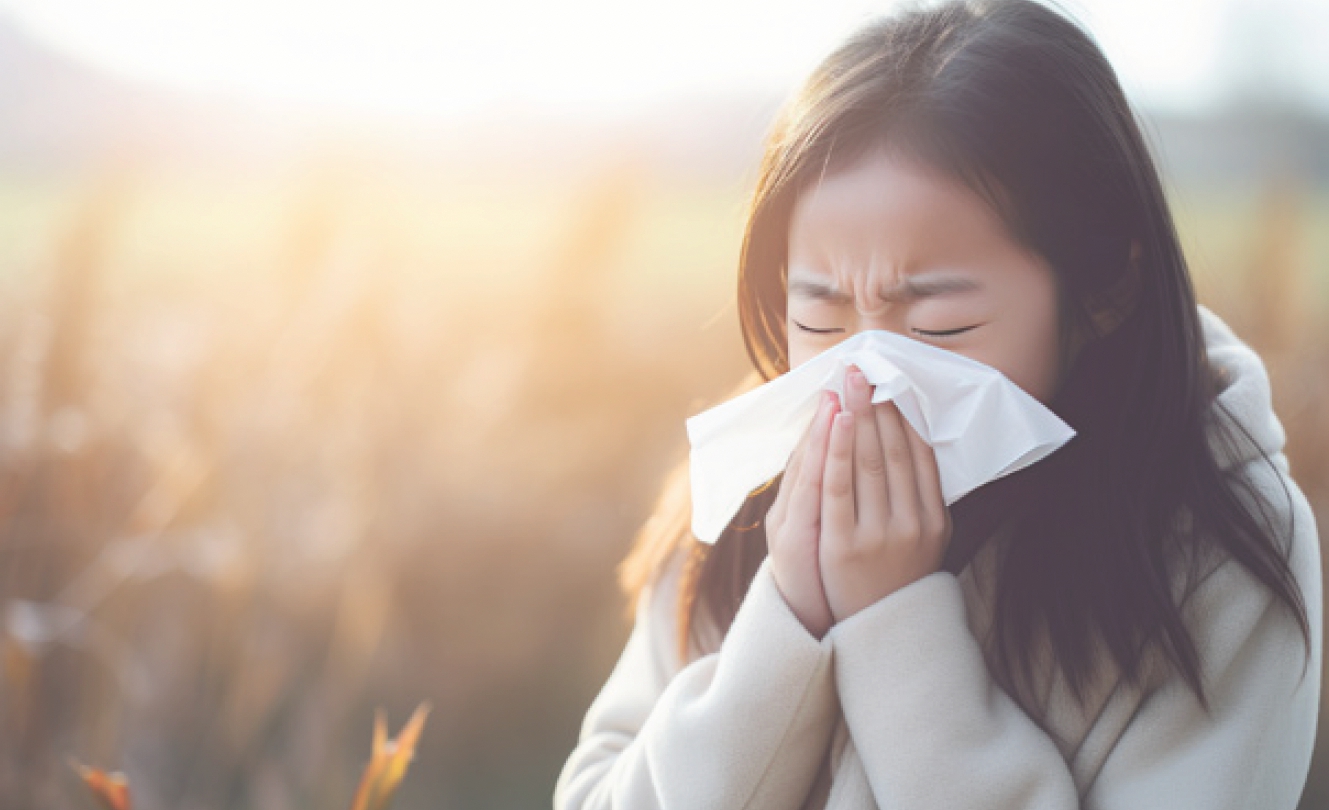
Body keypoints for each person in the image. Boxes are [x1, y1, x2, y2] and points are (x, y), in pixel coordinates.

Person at [553, 0, 1322, 807]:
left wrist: (894, 625)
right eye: (819, 315)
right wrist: (787, 620)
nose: (868, 372)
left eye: (937, 323)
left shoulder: (1216, 559)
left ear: (1107, 287)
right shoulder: (750, 488)